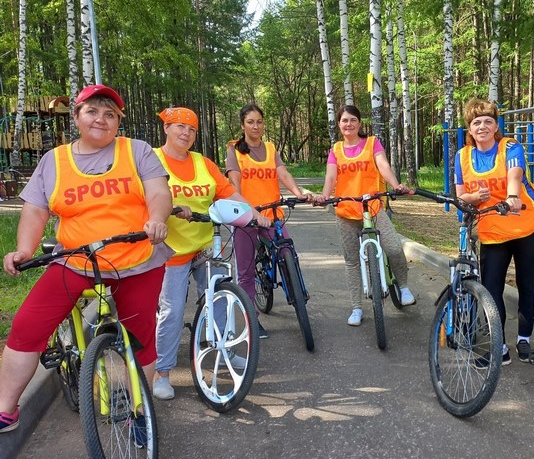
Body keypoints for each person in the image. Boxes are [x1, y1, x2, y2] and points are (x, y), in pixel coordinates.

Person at [0, 84, 172, 437]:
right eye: (92, 111)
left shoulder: (136, 150)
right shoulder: (54, 160)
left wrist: (157, 219)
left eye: (110, 114)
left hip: (136, 258)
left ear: (118, 122)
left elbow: (158, 191)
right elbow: (35, 210)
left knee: (139, 335)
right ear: (76, 117)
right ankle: (6, 409)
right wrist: (24, 250)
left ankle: (139, 410)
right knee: (27, 327)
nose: (101, 119)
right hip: (76, 260)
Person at [153, 107, 270, 401]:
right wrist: (169, 209)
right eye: (179, 126)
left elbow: (229, 193)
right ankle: (162, 372)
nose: (186, 133)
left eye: (191, 129)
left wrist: (253, 213)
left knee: (220, 300)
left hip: (206, 244)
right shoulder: (153, 160)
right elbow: (145, 197)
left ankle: (225, 349)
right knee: (173, 311)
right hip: (171, 250)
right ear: (166, 128)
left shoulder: (202, 163)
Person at [455, 98, 534, 364]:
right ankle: (499, 346)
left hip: (526, 222)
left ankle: (524, 339)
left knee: (526, 282)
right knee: (491, 286)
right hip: (492, 228)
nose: (482, 126)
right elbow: (461, 197)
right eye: (476, 122)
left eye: (488, 121)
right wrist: (475, 197)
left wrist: (511, 196)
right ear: (470, 129)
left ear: (496, 126)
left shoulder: (510, 147)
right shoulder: (462, 156)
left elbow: (515, 175)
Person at [314, 104, 415, 326]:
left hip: (373, 207)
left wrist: (396, 185)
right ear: (338, 124)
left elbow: (383, 166)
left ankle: (404, 287)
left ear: (359, 123)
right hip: (346, 210)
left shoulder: (372, 143)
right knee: (352, 261)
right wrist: (324, 197)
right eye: (344, 120)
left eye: (353, 120)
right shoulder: (336, 150)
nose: (348, 124)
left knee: (393, 248)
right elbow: (331, 177)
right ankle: (356, 308)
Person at [225, 104, 312, 337]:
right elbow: (234, 183)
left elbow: (282, 173)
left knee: (287, 251)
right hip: (246, 216)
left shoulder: (271, 148)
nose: (255, 126)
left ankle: (298, 295)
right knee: (245, 270)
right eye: (250, 122)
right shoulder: (235, 151)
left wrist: (298, 193)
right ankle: (251, 319)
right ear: (242, 125)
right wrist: (247, 209)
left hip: (272, 214)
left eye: (259, 122)